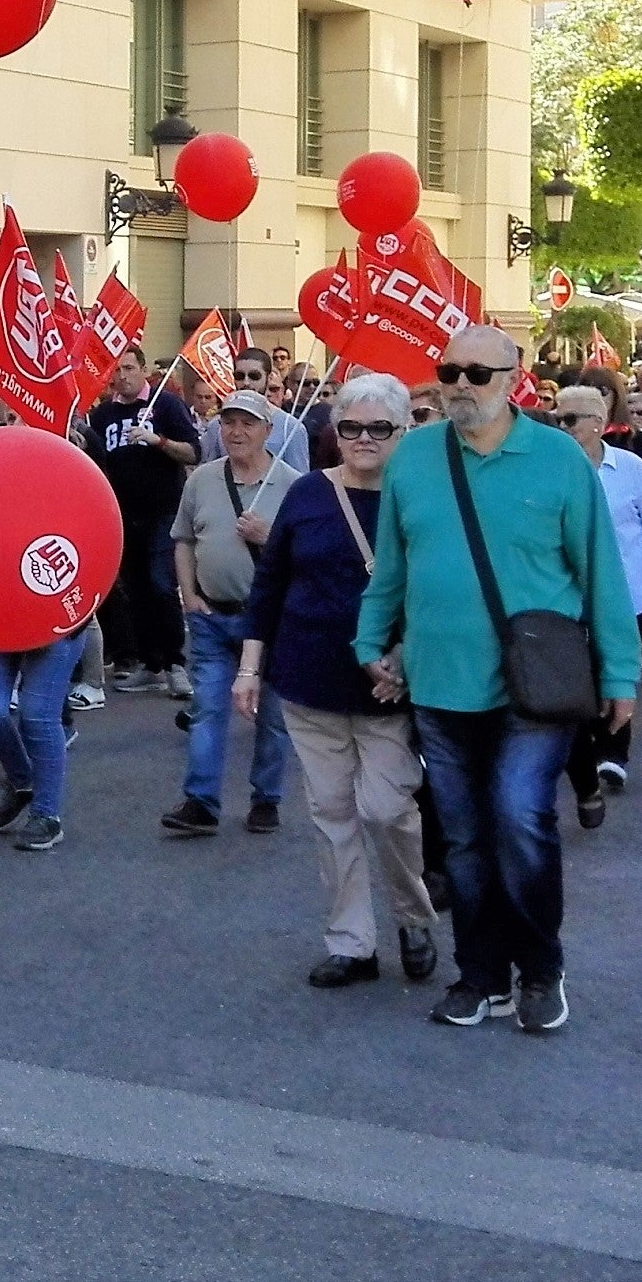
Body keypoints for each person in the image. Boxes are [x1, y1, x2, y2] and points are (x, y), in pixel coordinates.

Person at [353, 322, 639, 1034]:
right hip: (440, 681)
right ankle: (480, 976)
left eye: (477, 375)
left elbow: (601, 568)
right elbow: (391, 565)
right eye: (449, 372)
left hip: (534, 684)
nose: (458, 387)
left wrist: (622, 673)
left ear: (514, 380)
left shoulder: (558, 459)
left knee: (518, 818)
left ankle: (540, 970)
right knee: (463, 837)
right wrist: (369, 640)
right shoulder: (414, 458)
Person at [238, 372, 435, 988]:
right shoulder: (305, 495)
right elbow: (268, 586)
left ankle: (414, 915)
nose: (364, 439)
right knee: (330, 814)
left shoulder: (422, 499)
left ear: (404, 432)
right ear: (334, 432)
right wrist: (249, 668)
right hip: (308, 681)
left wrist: (403, 654)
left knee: (385, 809)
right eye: (351, 428)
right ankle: (352, 942)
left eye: (380, 428)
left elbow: (438, 593)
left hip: (388, 689)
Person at [165, 390, 300, 836]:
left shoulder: (293, 484)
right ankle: (200, 802)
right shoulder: (201, 480)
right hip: (211, 616)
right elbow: (183, 539)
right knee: (207, 709)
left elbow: (307, 557)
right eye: (228, 423)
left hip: (271, 622)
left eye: (247, 423)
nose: (236, 432)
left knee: (273, 717)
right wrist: (189, 594)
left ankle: (266, 799)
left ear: (268, 430)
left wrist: (269, 537)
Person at [558, 384, 642, 825]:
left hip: (626, 589)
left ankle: (612, 753)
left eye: (570, 420)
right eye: (557, 419)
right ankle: (582, 750)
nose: (563, 427)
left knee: (615, 665)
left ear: (596, 423)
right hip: (567, 594)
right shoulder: (548, 469)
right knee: (575, 673)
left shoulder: (632, 469)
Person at [84, 354, 197, 692]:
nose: (123, 377)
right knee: (136, 589)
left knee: (162, 585)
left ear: (143, 371)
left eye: (129, 368)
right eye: (116, 371)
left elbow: (193, 452)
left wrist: (157, 441)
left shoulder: (166, 405)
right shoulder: (103, 415)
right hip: (122, 513)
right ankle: (150, 663)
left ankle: (175, 663)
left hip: (164, 511)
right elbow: (96, 461)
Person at [232, 346, 312, 472]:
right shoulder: (218, 426)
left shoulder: (290, 428)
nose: (246, 382)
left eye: (254, 376)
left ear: (269, 378)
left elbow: (300, 482)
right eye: (240, 376)